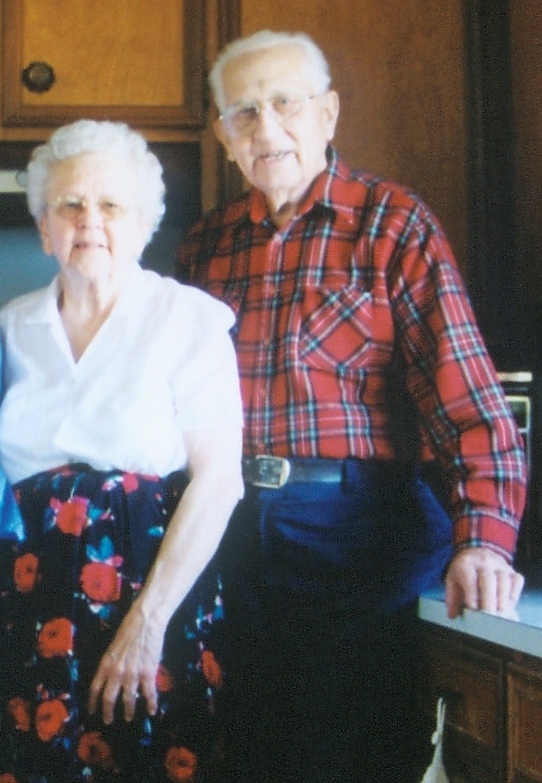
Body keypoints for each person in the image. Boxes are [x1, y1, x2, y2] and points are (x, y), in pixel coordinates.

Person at [176, 29, 528, 783]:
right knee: (240, 752)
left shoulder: (392, 224)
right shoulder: (204, 247)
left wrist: (485, 541)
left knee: (341, 754)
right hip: (228, 527)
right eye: (244, 112)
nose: (266, 128)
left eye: (285, 103)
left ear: (328, 113)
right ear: (223, 136)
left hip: (356, 532)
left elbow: (466, 400)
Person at [0, 119, 244, 783]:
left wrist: (148, 622)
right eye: (69, 204)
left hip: (152, 595)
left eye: (111, 204)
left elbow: (219, 481)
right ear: (44, 226)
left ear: (142, 225)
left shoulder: (187, 319)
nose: (90, 220)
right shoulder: (11, 327)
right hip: (27, 604)